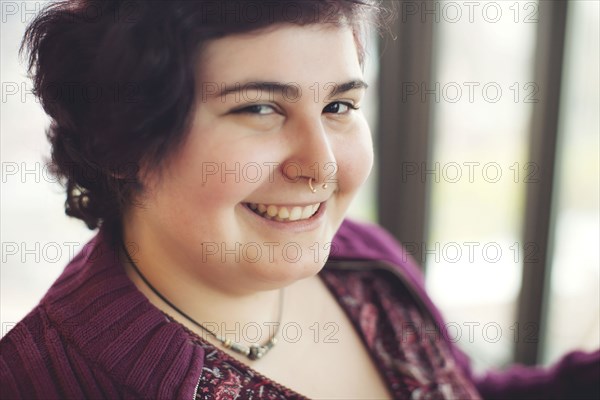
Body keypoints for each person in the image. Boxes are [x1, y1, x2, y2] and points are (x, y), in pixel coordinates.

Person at [1, 1, 598, 399]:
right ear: (120, 140)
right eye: (259, 108)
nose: (322, 167)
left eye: (339, 106)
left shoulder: (360, 259)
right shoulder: (42, 380)